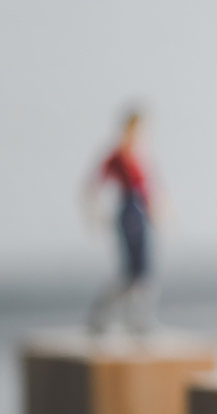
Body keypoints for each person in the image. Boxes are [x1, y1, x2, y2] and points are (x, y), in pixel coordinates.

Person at [85, 109, 159, 333]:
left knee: (143, 272)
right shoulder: (119, 155)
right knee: (132, 273)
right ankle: (105, 315)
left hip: (139, 210)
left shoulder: (137, 154)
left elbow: (146, 188)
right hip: (129, 211)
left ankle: (136, 320)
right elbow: (94, 185)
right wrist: (96, 213)